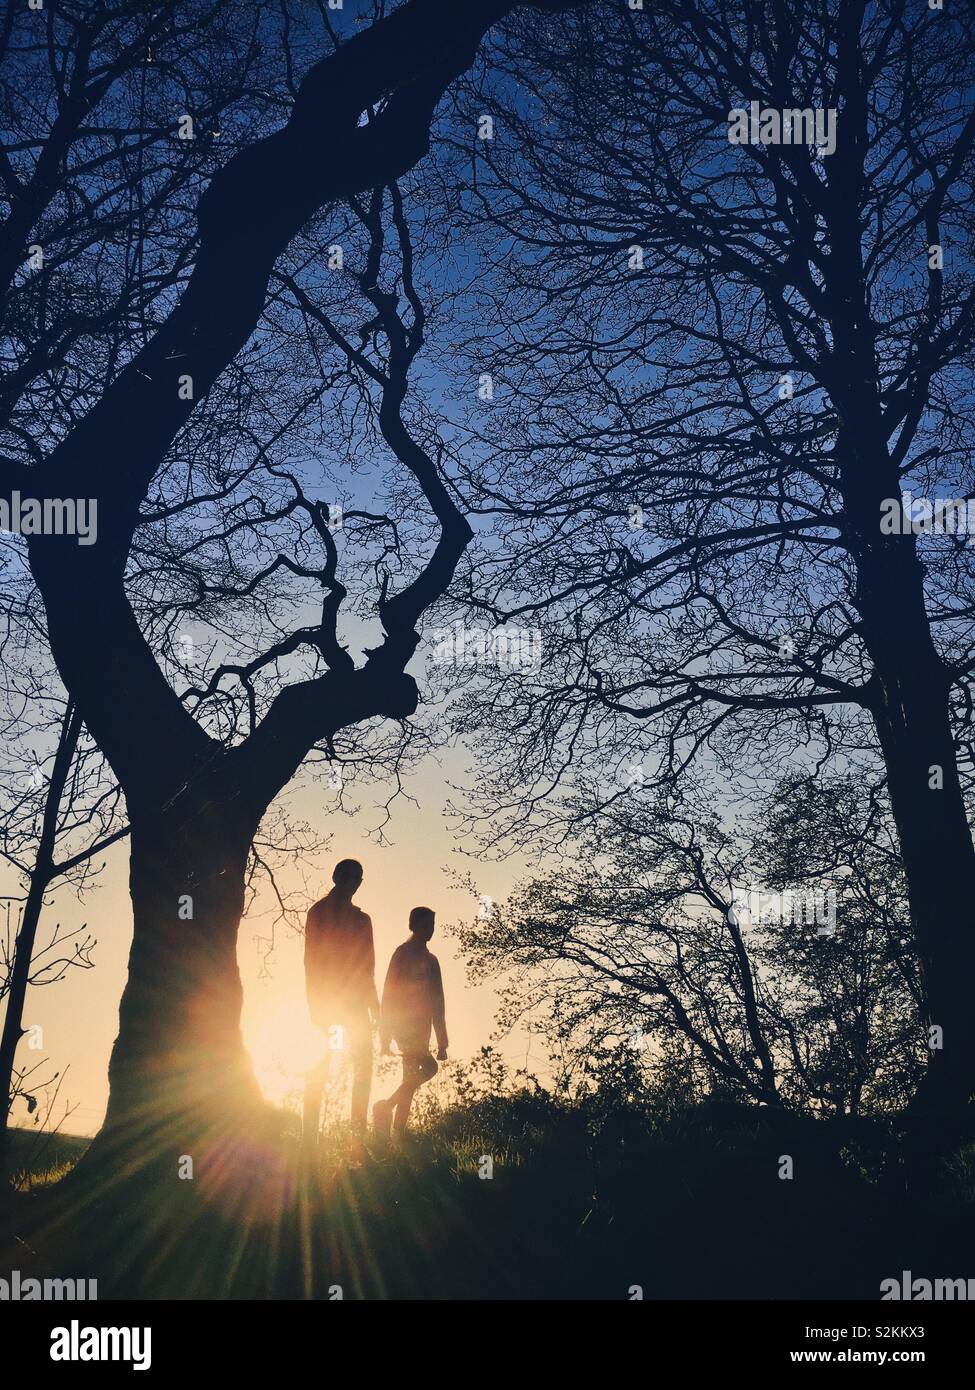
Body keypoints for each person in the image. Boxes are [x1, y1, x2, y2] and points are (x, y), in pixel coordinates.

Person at [303, 858, 379, 1147]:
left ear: (360, 882)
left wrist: (374, 1006)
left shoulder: (363, 920)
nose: (352, 882)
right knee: (320, 1066)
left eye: (357, 877)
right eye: (348, 876)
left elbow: (368, 966)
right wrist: (315, 1004)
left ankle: (357, 1137)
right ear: (335, 876)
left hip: (357, 1005)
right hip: (328, 1003)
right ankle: (309, 1138)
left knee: (362, 1066)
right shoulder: (319, 913)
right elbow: (312, 961)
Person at [373, 907, 448, 1136]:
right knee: (428, 1068)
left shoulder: (432, 961)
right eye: (426, 925)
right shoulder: (402, 954)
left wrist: (442, 1040)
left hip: (422, 1027)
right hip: (403, 1026)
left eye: (432, 925)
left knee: (410, 1078)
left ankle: (397, 1129)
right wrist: (385, 1036)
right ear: (413, 925)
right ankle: (386, 1109)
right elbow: (389, 994)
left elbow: (438, 1002)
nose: (430, 930)